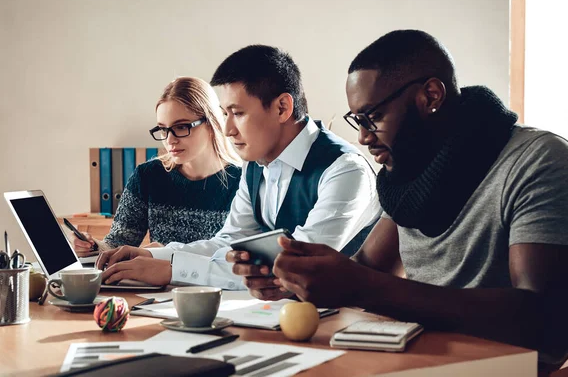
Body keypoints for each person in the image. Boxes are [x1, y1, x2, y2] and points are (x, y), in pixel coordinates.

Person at [230, 30, 568, 369]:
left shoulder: (540, 161)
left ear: (430, 96)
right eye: (357, 120)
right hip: (422, 364)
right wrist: (294, 280)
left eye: (372, 117)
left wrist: (360, 285)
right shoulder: (410, 171)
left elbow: (547, 323)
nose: (362, 137)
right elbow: (370, 267)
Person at [96, 45, 381, 292]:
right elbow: (230, 241)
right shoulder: (255, 166)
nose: (228, 129)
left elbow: (297, 268)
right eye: (225, 114)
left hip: (344, 323)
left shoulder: (345, 171)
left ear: (282, 108)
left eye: (238, 113)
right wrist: (154, 256)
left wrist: (174, 270)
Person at [72, 77, 242, 258]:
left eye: (181, 127)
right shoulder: (148, 176)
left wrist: (163, 254)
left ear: (211, 123)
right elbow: (118, 243)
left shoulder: (243, 182)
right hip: (158, 286)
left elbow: (232, 255)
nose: (170, 140)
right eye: (163, 129)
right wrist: (93, 247)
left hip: (213, 286)